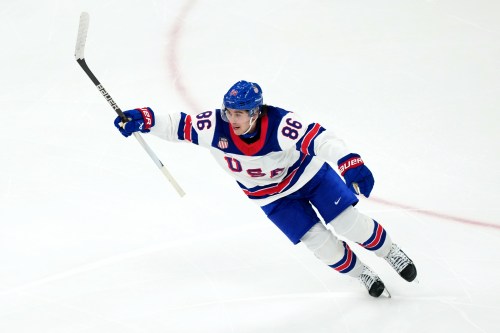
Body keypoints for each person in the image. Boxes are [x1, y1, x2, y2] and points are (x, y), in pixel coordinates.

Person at [114, 80, 417, 297]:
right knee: (320, 244)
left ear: (255, 112)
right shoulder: (213, 126)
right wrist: (144, 119)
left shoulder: (281, 124)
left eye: (239, 114)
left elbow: (321, 140)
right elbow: (175, 125)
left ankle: (391, 253)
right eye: (229, 112)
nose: (232, 120)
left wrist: (349, 161)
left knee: (349, 224)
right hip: (272, 198)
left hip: (310, 178)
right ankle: (361, 272)